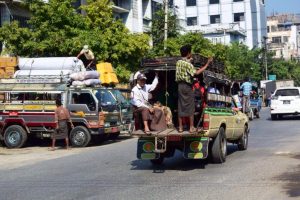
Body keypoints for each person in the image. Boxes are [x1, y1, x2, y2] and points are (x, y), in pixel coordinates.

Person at [176, 44, 213, 133]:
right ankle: (191, 127)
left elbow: (184, 64)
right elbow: (196, 73)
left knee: (181, 106)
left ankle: (180, 128)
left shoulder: (178, 62)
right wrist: (207, 64)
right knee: (190, 106)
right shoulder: (189, 65)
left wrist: (189, 61)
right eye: (190, 52)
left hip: (180, 86)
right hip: (187, 86)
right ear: (189, 53)